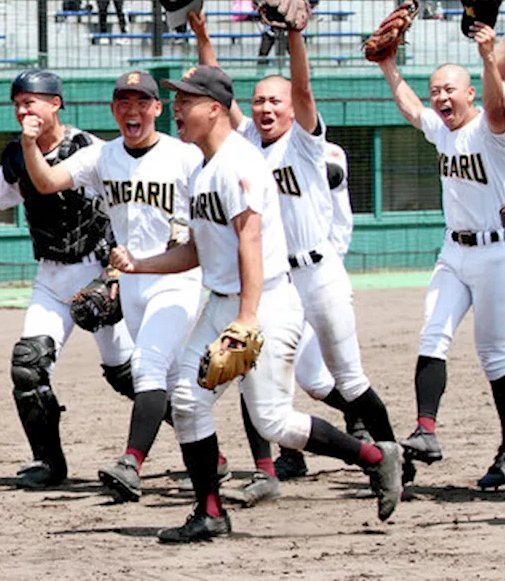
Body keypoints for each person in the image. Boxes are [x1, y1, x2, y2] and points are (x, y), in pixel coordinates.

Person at [110, 58, 402, 542]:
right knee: (186, 398)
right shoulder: (202, 169)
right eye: (177, 101)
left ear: (216, 109)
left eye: (186, 101)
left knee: (273, 419)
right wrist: (139, 264)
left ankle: (375, 456)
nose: (177, 110)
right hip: (225, 302)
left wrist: (246, 319)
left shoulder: (238, 163)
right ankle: (209, 513)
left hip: (263, 303)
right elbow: (197, 251)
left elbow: (250, 239)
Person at [194, 6, 399, 506]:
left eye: (275, 101)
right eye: (260, 100)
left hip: (319, 272)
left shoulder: (306, 143)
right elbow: (215, 92)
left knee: (348, 377)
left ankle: (395, 455)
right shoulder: (244, 144)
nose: (266, 108)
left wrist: (294, 38)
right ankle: (273, 466)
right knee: (272, 372)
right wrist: (202, 35)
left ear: (291, 109)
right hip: (276, 283)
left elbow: (304, 91)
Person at [0, 70, 137, 489]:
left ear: (56, 104)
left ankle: (201, 441)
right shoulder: (14, 156)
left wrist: (116, 273)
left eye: (33, 101)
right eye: (19, 103)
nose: (24, 109)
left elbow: (126, 208)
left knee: (128, 376)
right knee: (28, 367)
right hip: (51, 276)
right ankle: (48, 462)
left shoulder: (91, 150)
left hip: (97, 273)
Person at [3, 70, 200, 499]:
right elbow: (45, 182)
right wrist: (28, 143)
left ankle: (139, 462)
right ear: (113, 109)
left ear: (156, 109)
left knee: (146, 372)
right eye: (124, 103)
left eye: (142, 102)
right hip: (120, 279)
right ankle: (51, 462)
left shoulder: (183, 156)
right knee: (32, 364)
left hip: (164, 277)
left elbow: (207, 217)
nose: (133, 110)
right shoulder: (103, 156)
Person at [377, 24, 505, 490]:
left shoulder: (491, 128)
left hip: (499, 252)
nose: (440, 96)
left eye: (449, 89)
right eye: (436, 88)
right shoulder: (441, 129)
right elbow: (411, 107)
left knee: (493, 357)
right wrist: (388, 66)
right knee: (432, 335)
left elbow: (499, 101)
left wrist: (493, 47)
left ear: (470, 93)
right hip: (452, 251)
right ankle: (427, 431)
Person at [274, 141, 363, 480]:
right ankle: (291, 453)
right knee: (296, 372)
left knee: (313, 377)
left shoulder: (328, 151)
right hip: (282, 275)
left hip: (321, 271)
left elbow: (333, 177)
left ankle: (360, 420)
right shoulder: (267, 151)